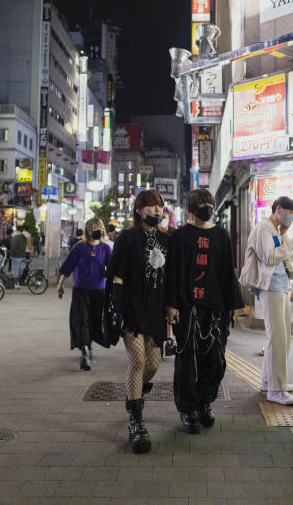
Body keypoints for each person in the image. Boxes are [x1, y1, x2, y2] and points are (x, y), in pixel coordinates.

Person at [166, 189, 244, 433]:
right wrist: (170, 305)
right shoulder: (180, 237)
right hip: (187, 309)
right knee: (187, 361)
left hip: (215, 310)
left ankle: (205, 402)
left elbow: (226, 273)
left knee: (215, 360)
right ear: (191, 208)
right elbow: (172, 273)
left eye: (209, 202)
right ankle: (188, 409)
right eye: (201, 202)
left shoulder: (221, 235)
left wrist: (233, 307)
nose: (206, 206)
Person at [106, 189, 169, 454]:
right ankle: (136, 421)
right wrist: (116, 310)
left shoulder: (166, 240)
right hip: (132, 309)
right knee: (138, 361)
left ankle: (137, 392)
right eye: (152, 206)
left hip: (155, 311)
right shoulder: (127, 238)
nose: (157, 211)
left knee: (153, 366)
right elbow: (117, 275)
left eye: (160, 207)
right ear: (139, 210)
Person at [239, 195, 293, 406]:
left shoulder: (275, 230)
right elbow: (270, 257)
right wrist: (290, 243)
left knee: (282, 337)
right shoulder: (264, 227)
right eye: (289, 211)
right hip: (270, 288)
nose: (291, 216)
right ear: (279, 209)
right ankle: (276, 389)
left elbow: (283, 257)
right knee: (277, 338)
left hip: (281, 287)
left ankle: (269, 381)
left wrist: (285, 239)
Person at [57, 218, 112, 370]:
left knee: (94, 320)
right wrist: (60, 284)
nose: (96, 230)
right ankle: (84, 350)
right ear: (87, 230)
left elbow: (113, 270)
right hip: (81, 290)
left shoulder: (106, 249)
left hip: (99, 290)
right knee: (80, 319)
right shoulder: (79, 247)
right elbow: (68, 267)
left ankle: (88, 344)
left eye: (99, 227)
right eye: (93, 228)